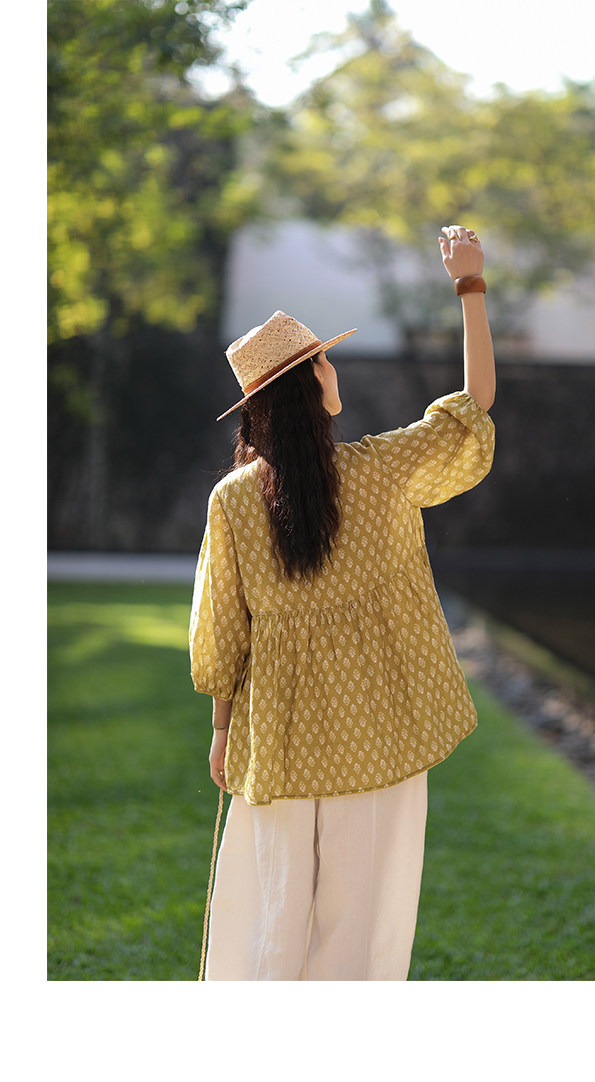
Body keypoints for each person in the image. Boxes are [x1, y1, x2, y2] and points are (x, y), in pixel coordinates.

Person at [189, 224, 496, 981]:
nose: (333, 367)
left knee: (273, 918)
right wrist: (470, 285)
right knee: (361, 923)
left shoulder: (232, 500)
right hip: (379, 729)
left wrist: (223, 730)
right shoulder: (380, 469)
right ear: (310, 387)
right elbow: (475, 405)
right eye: (324, 359)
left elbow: (222, 631)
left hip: (278, 735)